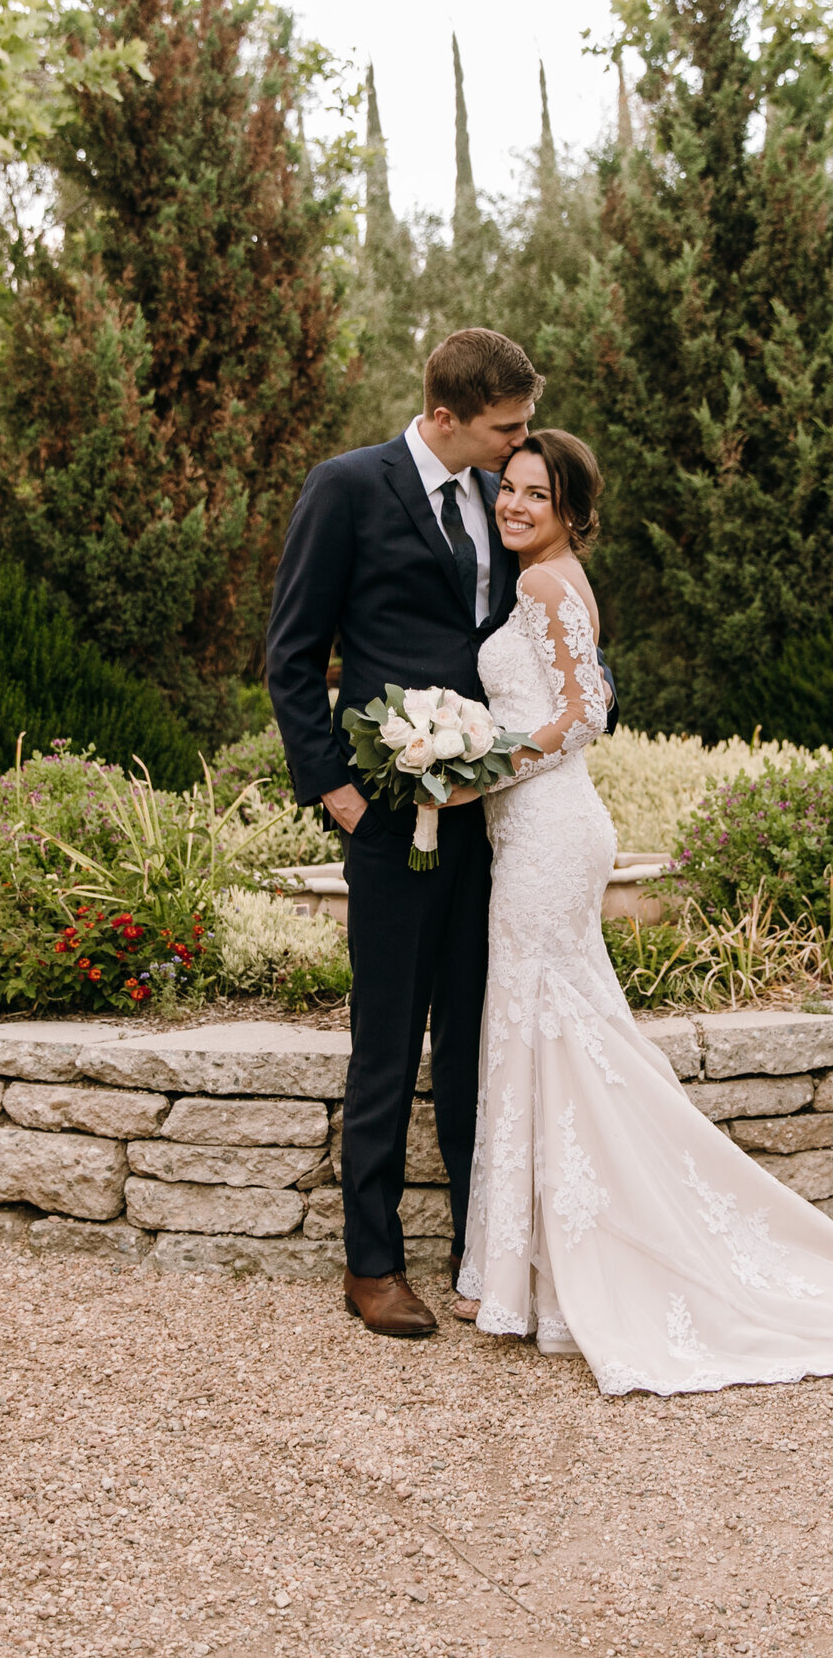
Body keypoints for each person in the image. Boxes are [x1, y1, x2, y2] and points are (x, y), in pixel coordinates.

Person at [456, 429, 833, 1395]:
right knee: (546, 1025)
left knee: (544, 1024)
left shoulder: (546, 587)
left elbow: (587, 712)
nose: (515, 506)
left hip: (548, 832)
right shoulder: (552, 578)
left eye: (534, 496)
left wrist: (477, 773)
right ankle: (523, 1270)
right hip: (540, 831)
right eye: (508, 490)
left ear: (569, 512)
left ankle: (544, 1273)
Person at [264, 329, 536, 1337]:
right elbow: (292, 653)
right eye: (505, 426)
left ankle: (480, 1251)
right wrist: (331, 790)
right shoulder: (346, 488)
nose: (519, 444)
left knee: (472, 1033)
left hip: (485, 816)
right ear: (447, 415)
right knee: (386, 1039)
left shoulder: (495, 501)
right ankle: (370, 1261)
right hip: (386, 813)